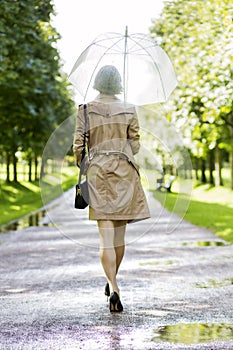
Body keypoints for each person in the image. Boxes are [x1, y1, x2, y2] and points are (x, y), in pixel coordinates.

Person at [73, 65, 150, 312]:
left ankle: (113, 285)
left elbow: (78, 146)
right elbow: (135, 145)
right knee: (119, 237)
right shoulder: (129, 109)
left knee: (105, 238)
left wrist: (85, 163)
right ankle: (112, 283)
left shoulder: (85, 110)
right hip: (124, 172)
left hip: (98, 172)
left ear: (97, 83)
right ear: (118, 84)